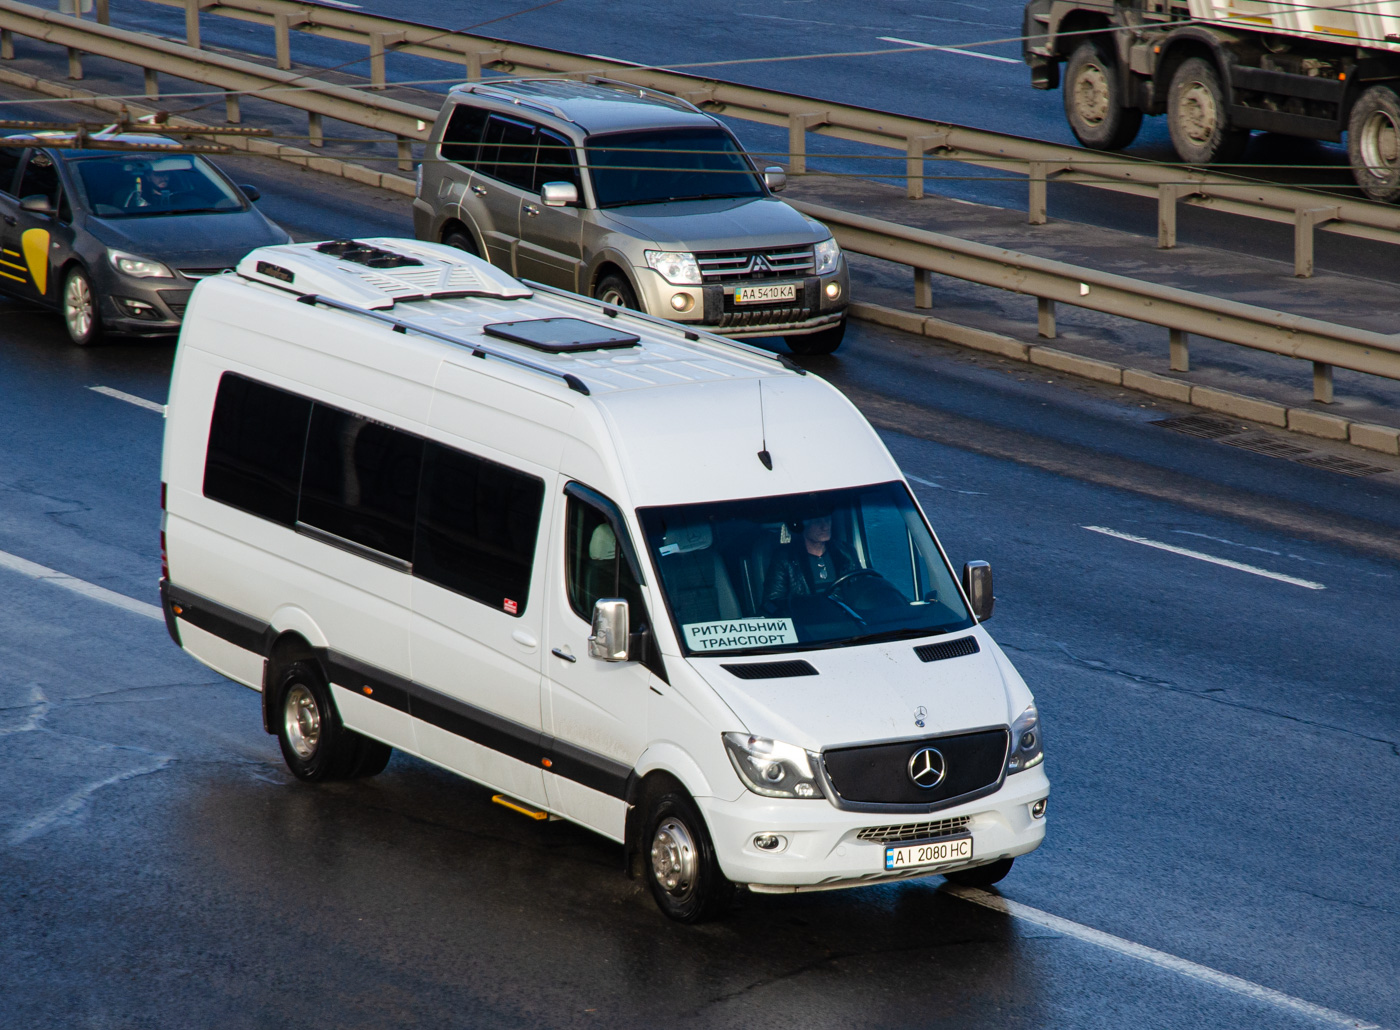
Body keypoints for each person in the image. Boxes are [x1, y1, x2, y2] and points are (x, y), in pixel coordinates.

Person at [762, 512, 858, 615]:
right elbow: (772, 602)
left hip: (847, 619)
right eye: (817, 522)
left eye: (827, 520)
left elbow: (861, 588)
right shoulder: (785, 558)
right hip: (807, 624)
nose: (825, 527)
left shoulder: (845, 551)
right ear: (801, 525)